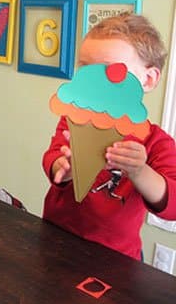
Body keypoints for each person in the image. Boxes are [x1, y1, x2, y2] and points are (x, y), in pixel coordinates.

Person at [43, 14, 176, 260]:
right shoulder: (75, 119)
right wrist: (63, 168)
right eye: (86, 70)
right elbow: (52, 158)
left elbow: (172, 206)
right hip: (57, 239)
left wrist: (139, 171)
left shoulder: (157, 142)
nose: (95, 84)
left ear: (148, 79)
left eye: (109, 73)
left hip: (116, 259)